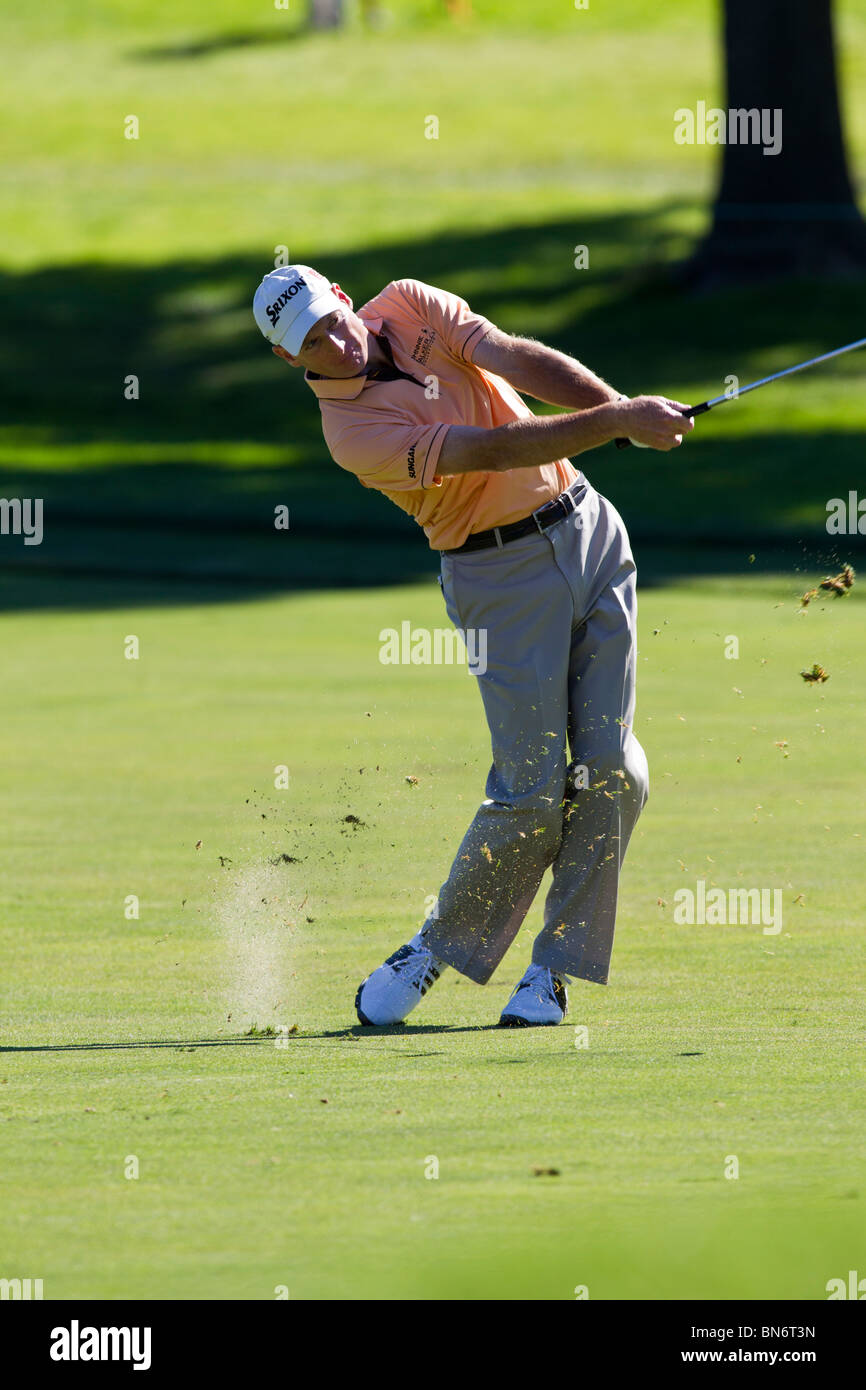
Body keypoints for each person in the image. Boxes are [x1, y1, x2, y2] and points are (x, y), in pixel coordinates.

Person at [253, 264, 693, 1026]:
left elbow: (511, 356)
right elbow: (489, 451)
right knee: (532, 791)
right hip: (499, 578)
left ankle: (551, 970)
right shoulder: (352, 434)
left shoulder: (410, 301)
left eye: (331, 318)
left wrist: (619, 409)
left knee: (613, 768)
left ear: (345, 299)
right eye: (311, 341)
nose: (335, 340)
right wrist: (618, 425)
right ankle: (434, 947)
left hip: (588, 528)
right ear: (291, 360)